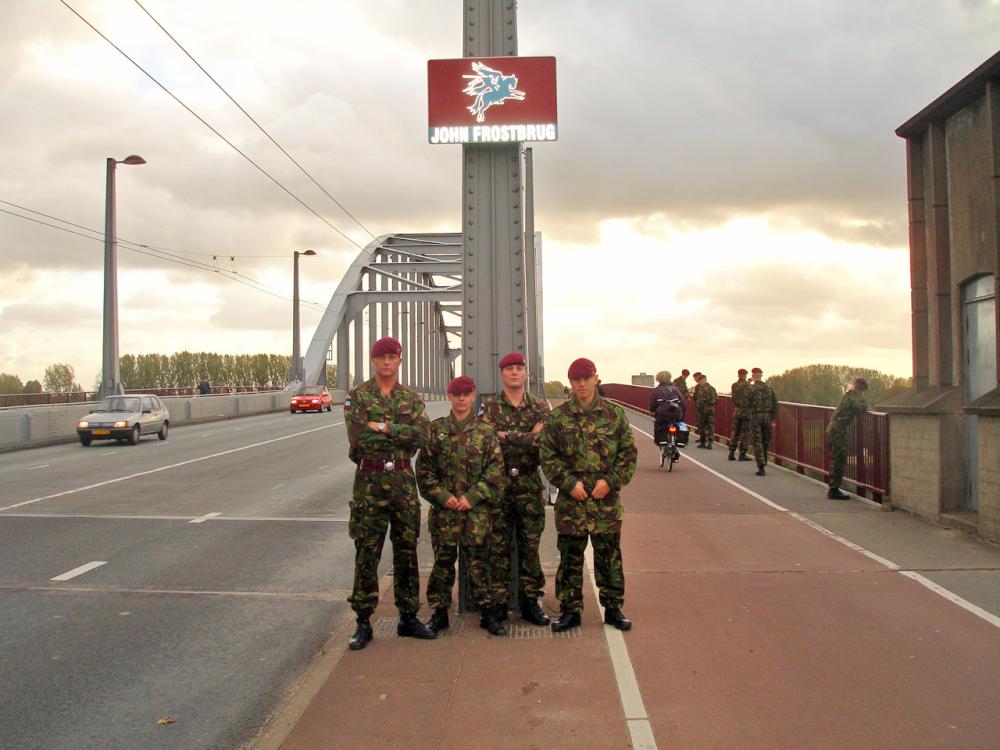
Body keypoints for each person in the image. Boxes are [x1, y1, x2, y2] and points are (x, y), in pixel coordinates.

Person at [343, 336, 436, 650]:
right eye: (381, 357)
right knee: (367, 551)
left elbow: (422, 435)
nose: (386, 362)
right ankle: (363, 621)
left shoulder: (411, 397)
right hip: (369, 480)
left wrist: (383, 428)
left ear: (400, 360)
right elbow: (358, 438)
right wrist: (399, 434)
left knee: (407, 550)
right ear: (373, 361)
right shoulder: (358, 396)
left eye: (392, 357)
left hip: (401, 480)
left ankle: (408, 617)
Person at [538, 358, 637, 632]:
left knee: (609, 556)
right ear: (570, 382)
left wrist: (611, 481)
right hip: (573, 499)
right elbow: (548, 455)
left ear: (596, 379)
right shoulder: (558, 418)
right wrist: (568, 483)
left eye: (586, 378)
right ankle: (571, 611)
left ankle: (613, 608)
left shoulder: (614, 415)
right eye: (576, 379)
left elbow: (628, 455)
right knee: (570, 557)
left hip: (605, 499)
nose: (581, 384)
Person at [417, 375, 508, 636]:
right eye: (456, 394)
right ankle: (439, 613)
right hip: (445, 512)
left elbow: (495, 471)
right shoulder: (437, 431)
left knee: (479, 564)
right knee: (442, 564)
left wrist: (474, 496)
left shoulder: (485, 432)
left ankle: (488, 613)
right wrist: (442, 495)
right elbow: (424, 471)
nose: (461, 398)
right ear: (449, 396)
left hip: (475, 513)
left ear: (473, 396)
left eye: (466, 394)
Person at [479, 352, 552, 626]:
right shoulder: (489, 407)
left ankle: (530, 603)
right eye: (509, 369)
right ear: (502, 374)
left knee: (530, 547)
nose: (514, 373)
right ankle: (497, 606)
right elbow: (485, 440)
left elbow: (542, 441)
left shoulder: (540, 406)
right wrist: (526, 436)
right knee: (497, 547)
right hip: (498, 486)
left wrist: (505, 436)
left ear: (526, 374)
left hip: (529, 484)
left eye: (519, 368)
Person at [826, 377, 870, 499]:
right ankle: (833, 490)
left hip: (835, 428)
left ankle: (833, 488)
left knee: (837, 457)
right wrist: (865, 404)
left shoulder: (849, 394)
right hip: (838, 430)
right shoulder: (855, 395)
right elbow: (860, 407)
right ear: (863, 388)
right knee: (839, 458)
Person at [748, 367, 778, 476]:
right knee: (765, 441)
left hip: (756, 417)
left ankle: (761, 466)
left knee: (757, 442)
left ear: (753, 376)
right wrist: (772, 419)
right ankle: (764, 461)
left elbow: (745, 401)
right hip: (767, 417)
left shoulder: (750, 389)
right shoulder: (769, 388)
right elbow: (775, 404)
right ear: (761, 375)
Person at [648, 370, 685, 447]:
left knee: (659, 424)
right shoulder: (675, 389)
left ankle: (662, 441)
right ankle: (678, 442)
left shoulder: (656, 390)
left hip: (662, 414)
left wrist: (652, 410)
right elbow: (683, 402)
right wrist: (683, 412)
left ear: (658, 379)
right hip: (676, 412)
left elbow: (653, 404)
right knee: (678, 424)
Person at [729, 368, 752, 462]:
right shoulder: (748, 386)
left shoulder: (734, 385)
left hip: (737, 411)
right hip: (746, 412)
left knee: (735, 432)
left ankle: (731, 452)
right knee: (745, 433)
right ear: (745, 375)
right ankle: (742, 454)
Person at [693, 372, 718, 449]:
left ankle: (703, 442)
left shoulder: (700, 389)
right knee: (710, 426)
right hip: (710, 410)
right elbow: (716, 400)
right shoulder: (712, 388)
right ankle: (709, 442)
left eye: (700, 380)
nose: (700, 382)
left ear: (703, 380)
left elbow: (696, 399)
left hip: (702, 411)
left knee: (702, 426)